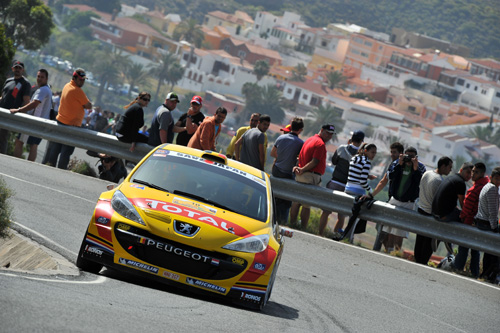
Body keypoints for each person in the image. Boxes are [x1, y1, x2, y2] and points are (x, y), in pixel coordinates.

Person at [290, 124, 335, 231]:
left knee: (296, 201)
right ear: (322, 130)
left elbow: (300, 156)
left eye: (331, 134)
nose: (329, 136)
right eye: (327, 133)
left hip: (302, 174)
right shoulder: (320, 144)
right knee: (306, 205)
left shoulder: (309, 139)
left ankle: (292, 224)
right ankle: (303, 228)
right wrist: (303, 169)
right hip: (310, 175)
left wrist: (299, 168)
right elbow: (315, 161)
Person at [326, 143, 377, 237]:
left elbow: (355, 174)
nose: (374, 155)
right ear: (366, 151)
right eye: (372, 152)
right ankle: (348, 237)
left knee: (345, 213)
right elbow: (362, 181)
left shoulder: (354, 158)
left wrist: (367, 176)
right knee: (355, 217)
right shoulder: (367, 162)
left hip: (348, 188)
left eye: (375, 153)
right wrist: (370, 191)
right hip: (358, 191)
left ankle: (337, 233)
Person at [45, 68, 92, 169]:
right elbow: (89, 105)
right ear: (74, 78)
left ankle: (49, 167)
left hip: (60, 121)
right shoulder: (77, 91)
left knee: (55, 148)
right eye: (80, 79)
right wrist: (82, 105)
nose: (82, 82)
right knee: (66, 152)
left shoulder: (67, 85)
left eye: (84, 80)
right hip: (71, 126)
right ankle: (61, 171)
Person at [320, 130, 364, 234]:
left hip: (335, 182)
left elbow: (334, 161)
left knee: (326, 212)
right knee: (342, 215)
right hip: (348, 187)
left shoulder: (341, 148)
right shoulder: (361, 155)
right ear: (362, 141)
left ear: (351, 139)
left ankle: (320, 233)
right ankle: (335, 235)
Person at [382, 147, 426, 252]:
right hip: (395, 199)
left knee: (400, 232)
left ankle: (396, 253)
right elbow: (391, 176)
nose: (409, 159)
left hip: (408, 202)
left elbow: (420, 182)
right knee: (389, 229)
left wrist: (415, 169)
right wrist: (400, 164)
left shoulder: (420, 167)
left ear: (416, 157)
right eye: (407, 156)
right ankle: (388, 250)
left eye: (412, 156)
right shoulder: (397, 163)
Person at [413, 156, 453, 265]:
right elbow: (441, 201)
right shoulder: (440, 181)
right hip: (430, 214)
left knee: (420, 239)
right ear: (443, 166)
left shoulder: (427, 173)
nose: (450, 170)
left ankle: (417, 262)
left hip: (421, 210)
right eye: (449, 167)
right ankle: (422, 263)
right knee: (428, 243)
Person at [453, 162, 488, 277]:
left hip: (469, 222)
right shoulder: (487, 186)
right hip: (480, 223)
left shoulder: (475, 189)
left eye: (476, 172)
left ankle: (458, 268)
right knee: (475, 249)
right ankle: (475, 273)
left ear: (482, 174)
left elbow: (466, 209)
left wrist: (462, 217)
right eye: (472, 171)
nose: (473, 174)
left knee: (463, 247)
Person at [10, 69, 53, 161]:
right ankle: (29, 167)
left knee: (19, 141)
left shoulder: (43, 90)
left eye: (42, 77)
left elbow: (34, 104)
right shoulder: (47, 89)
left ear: (46, 79)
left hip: (33, 122)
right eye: (38, 76)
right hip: (40, 122)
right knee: (34, 145)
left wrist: (19, 110)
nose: (39, 79)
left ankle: (15, 163)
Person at [370, 142, 404, 251]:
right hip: (391, 200)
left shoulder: (404, 166)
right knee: (383, 228)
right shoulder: (392, 165)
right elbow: (383, 181)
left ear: (400, 154)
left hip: (401, 202)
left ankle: (394, 252)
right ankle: (389, 250)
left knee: (396, 231)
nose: (392, 154)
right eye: (391, 152)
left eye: (395, 152)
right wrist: (371, 195)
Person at [270, 117, 304, 224]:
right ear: (300, 130)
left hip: (276, 170)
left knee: (274, 197)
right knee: (286, 199)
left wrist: (281, 157)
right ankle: (283, 221)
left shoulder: (280, 138)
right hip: (288, 173)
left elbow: (272, 153)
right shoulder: (300, 143)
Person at [0, 60, 31, 154]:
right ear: (12, 69)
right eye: (16, 67)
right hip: (1, 111)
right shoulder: (8, 80)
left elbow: (26, 101)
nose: (17, 69)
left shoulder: (25, 83)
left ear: (23, 70)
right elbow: (2, 96)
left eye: (19, 68)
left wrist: (21, 115)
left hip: (10, 114)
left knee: (2, 137)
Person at [475, 167, 500, 282]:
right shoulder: (493, 189)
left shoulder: (487, 186)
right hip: (486, 223)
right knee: (493, 252)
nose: (498, 181)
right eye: (496, 178)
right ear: (491, 177)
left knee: (489, 252)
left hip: (481, 221)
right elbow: (492, 211)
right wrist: (495, 227)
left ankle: (485, 273)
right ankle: (488, 274)